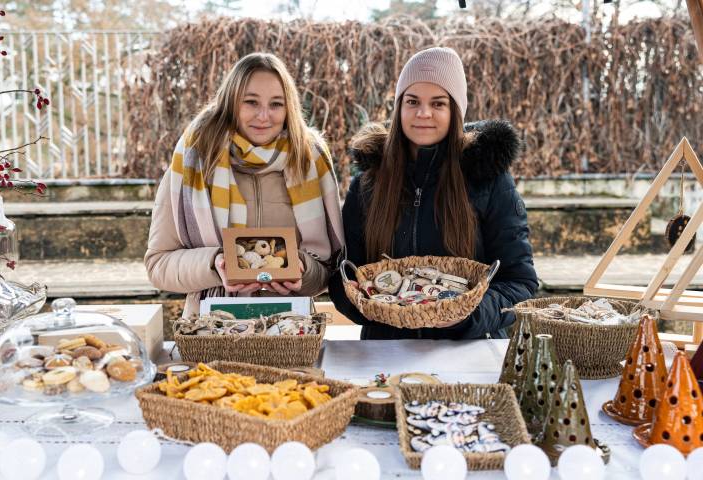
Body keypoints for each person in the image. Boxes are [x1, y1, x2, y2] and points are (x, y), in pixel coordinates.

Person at [328, 47, 537, 340]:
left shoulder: (489, 179)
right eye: (412, 101)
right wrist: (369, 306)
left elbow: (520, 283)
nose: (423, 113)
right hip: (386, 351)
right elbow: (344, 275)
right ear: (399, 107)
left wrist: (467, 316)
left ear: (455, 111)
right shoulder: (368, 184)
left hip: (469, 350)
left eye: (438, 103)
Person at [145, 52, 344, 318]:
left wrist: (304, 271)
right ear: (231, 103)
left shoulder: (309, 162)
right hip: (213, 328)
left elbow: (330, 269)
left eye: (276, 104)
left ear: (289, 108)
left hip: (290, 329)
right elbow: (158, 265)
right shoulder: (193, 163)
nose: (264, 116)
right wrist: (215, 264)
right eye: (251, 102)